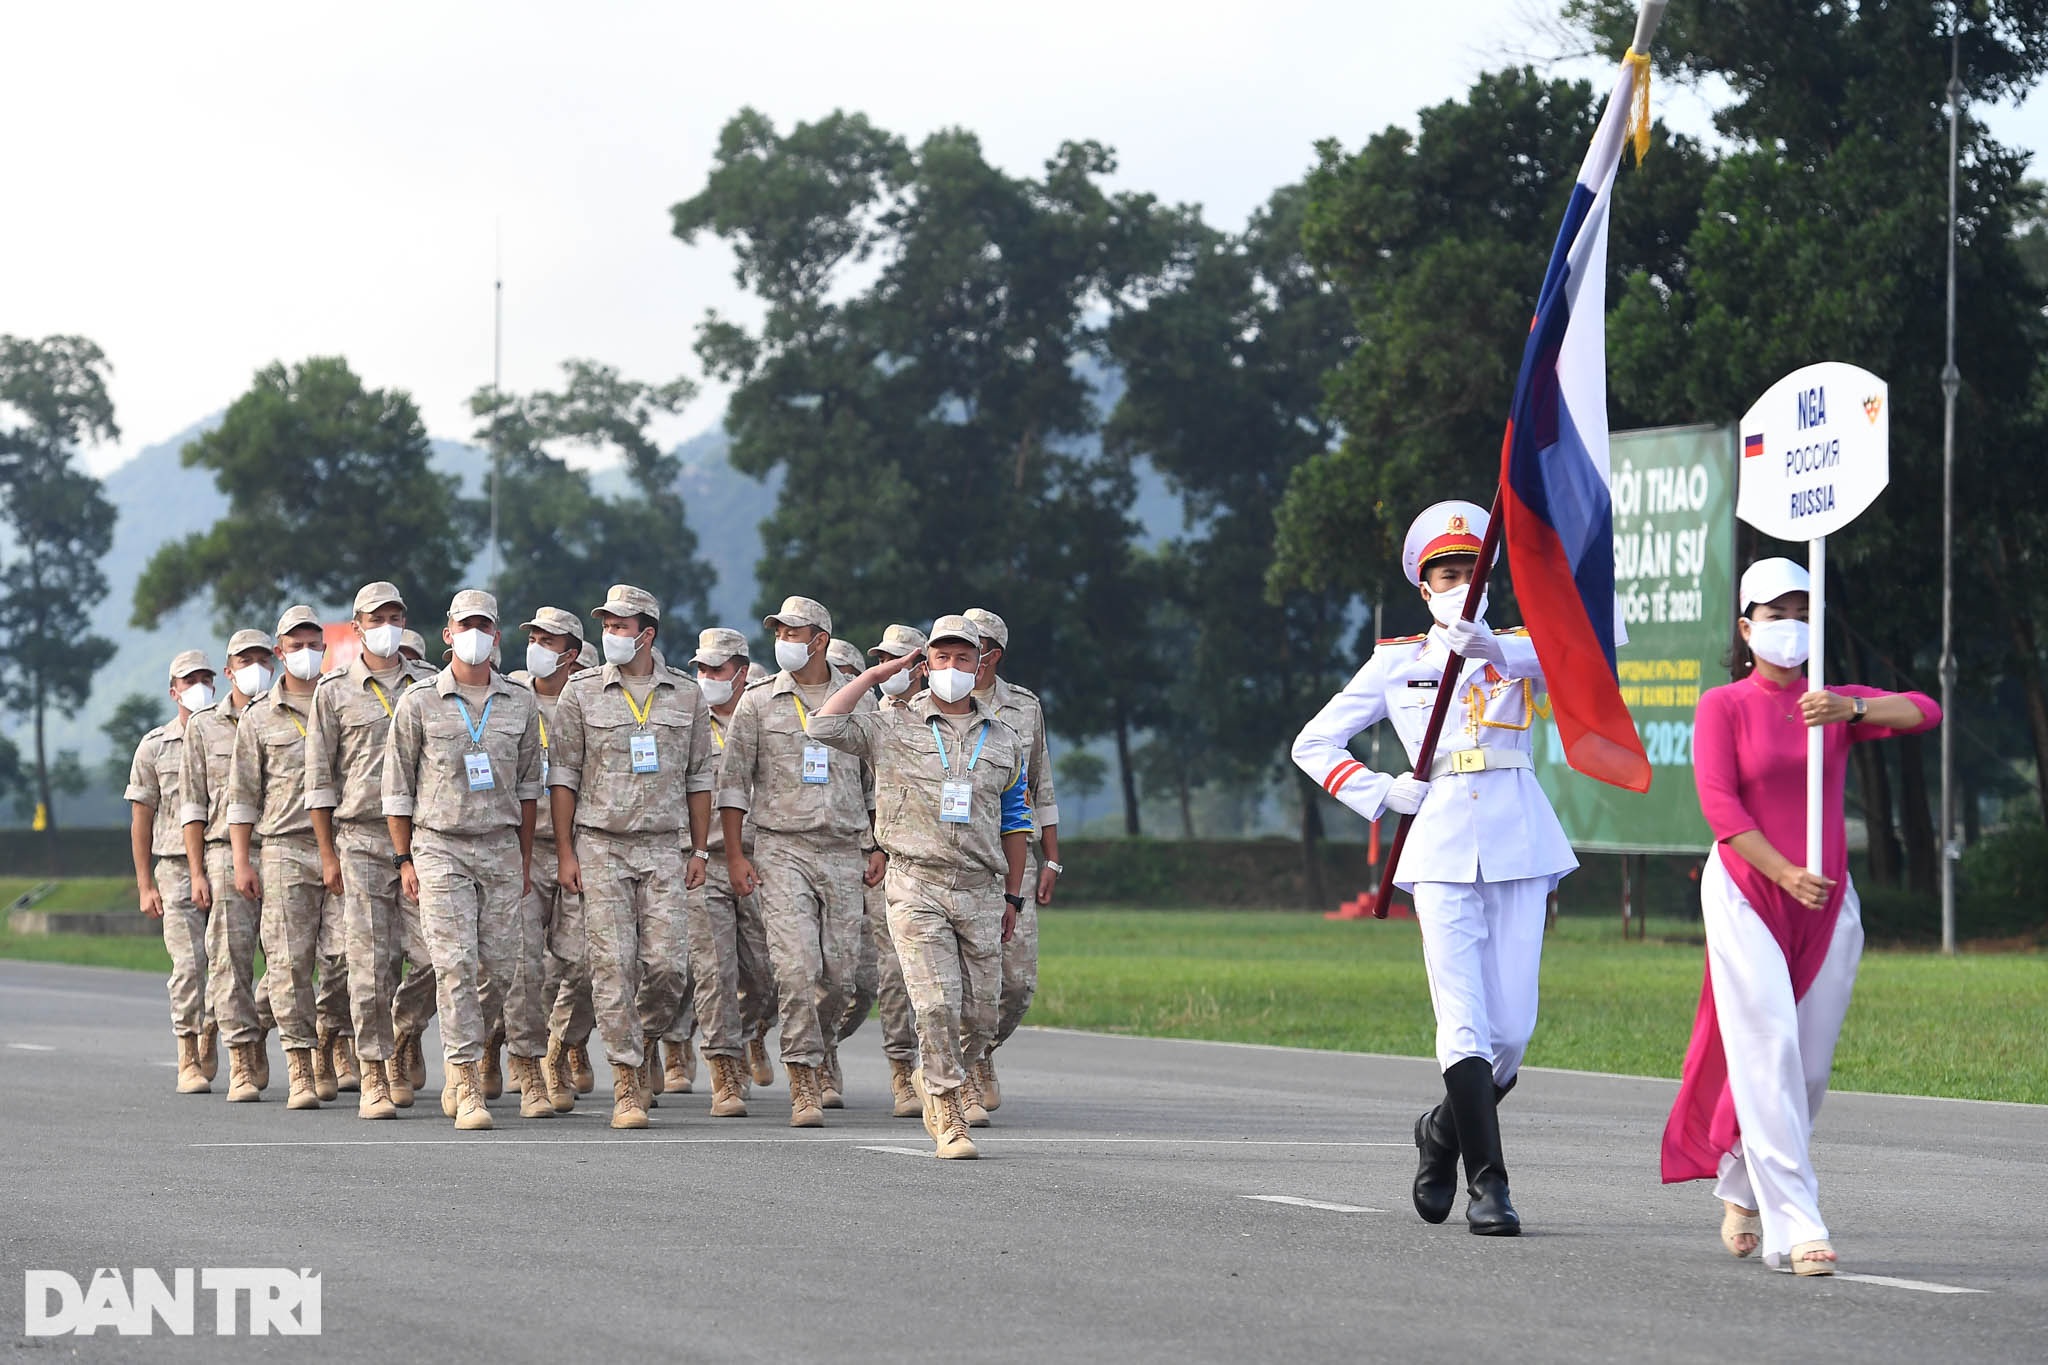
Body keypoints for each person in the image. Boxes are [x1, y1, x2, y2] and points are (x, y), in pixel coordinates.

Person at [1290, 500, 1576, 1236]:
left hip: (1518, 839)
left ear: (1489, 580)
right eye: (1445, 573)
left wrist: (1491, 649)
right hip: (1442, 839)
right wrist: (1382, 790)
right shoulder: (1397, 661)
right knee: (1465, 1021)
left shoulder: (1519, 644)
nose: (1458, 583)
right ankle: (1491, 1184)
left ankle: (1442, 1131)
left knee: (1512, 1033)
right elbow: (1313, 742)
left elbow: (1581, 654)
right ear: (1424, 586)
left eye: (1469, 571)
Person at [1661, 558, 1941, 1275]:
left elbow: (1924, 709)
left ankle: (1741, 1183)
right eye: (1775, 614)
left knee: (1809, 1065)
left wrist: (1848, 710)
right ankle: (1799, 1224)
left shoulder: (1833, 702)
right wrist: (1782, 870)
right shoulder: (1723, 703)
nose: (1789, 627)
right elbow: (1721, 807)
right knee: (1770, 1046)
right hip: (1749, 890)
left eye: (1801, 612)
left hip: (1826, 900)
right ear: (1747, 627)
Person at [810, 615, 1032, 1160]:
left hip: (981, 888)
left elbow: (1015, 819)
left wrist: (1013, 897)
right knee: (935, 1003)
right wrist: (880, 673)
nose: (952, 668)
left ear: (981, 663)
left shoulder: (1004, 739)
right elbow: (823, 726)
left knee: (982, 1013)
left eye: (963, 658)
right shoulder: (893, 725)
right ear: (925, 664)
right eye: (941, 658)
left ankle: (954, 1072)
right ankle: (947, 1107)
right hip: (915, 882)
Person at [547, 584, 715, 1129]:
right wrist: (566, 850)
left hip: (665, 846)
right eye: (607, 625)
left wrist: (698, 849)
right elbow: (564, 776)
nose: (612, 634)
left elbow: (698, 777)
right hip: (601, 844)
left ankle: (638, 1039)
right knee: (611, 966)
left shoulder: (686, 696)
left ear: (647, 633)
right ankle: (626, 1079)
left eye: (621, 626)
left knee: (670, 967)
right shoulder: (582, 692)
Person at [383, 590, 547, 1129]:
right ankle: (466, 1077)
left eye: (485, 626)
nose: (475, 634)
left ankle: (470, 1052)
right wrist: (405, 858)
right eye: (464, 625)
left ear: (496, 636)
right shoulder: (420, 701)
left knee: (500, 969)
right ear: (448, 633)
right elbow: (397, 788)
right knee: (453, 963)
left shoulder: (518, 702)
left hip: (500, 846)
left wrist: (524, 860)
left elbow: (529, 789)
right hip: (439, 845)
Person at [717, 596, 880, 1126]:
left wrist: (877, 843)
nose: (784, 640)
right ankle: (804, 1077)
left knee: (839, 977)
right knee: (795, 967)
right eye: (779, 631)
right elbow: (734, 782)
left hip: (842, 850)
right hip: (781, 848)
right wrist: (737, 854)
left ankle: (821, 1044)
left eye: (794, 632)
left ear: (820, 640)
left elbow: (877, 779)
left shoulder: (858, 698)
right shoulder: (759, 701)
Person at [307, 581, 441, 1119]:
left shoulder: (430, 685)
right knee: (369, 965)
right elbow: (319, 782)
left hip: (425, 839)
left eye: (395, 615)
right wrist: (327, 855)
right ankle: (374, 1071)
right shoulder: (333, 691)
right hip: (361, 839)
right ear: (357, 625)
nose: (386, 625)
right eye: (375, 617)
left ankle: (405, 1033)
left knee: (437, 956)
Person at [229, 607, 349, 1107]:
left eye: (313, 644)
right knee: (289, 962)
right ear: (281, 652)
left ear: (325, 648)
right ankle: (298, 1063)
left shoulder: (342, 700)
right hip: (283, 847)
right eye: (294, 645)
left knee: (348, 958)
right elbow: (242, 796)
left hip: (344, 845)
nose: (305, 653)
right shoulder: (259, 717)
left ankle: (328, 1041)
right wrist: (241, 860)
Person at [964, 607, 1062, 1113]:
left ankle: (979, 1049)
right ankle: (963, 1068)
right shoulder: (922, 704)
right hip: (957, 857)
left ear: (992, 654)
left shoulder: (1023, 708)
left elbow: (1039, 782)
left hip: (1013, 857)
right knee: (963, 977)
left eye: (972, 644)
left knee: (1017, 983)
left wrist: (1053, 858)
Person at [672, 626, 770, 1118]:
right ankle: (724, 1069)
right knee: (714, 971)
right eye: (702, 669)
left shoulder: (765, 714)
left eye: (717, 670)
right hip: (704, 860)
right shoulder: (685, 715)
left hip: (764, 861)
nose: (707, 678)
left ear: (742, 672)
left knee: (772, 974)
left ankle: (752, 1034)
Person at [181, 628, 280, 1104]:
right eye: (245, 660)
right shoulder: (203, 727)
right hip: (224, 851)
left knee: (291, 964)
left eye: (263, 657)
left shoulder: (286, 716)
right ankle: (240, 1056)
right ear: (229, 670)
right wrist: (197, 871)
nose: (255, 666)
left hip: (281, 845)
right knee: (230, 962)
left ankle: (253, 1024)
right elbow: (193, 808)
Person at [836, 623, 928, 1118]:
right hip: (846, 851)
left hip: (899, 860)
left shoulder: (940, 719)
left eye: (898, 660)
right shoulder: (868, 718)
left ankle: (904, 1070)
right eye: (881, 660)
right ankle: (820, 1052)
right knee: (839, 973)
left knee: (892, 974)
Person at [511, 606, 592, 1114]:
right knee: (521, 968)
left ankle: (561, 1046)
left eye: (550, 639)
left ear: (572, 653)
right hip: (518, 849)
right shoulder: (509, 699)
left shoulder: (592, 702)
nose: (538, 645)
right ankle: (526, 1065)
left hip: (583, 849)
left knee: (588, 963)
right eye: (534, 636)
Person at [127, 649, 217, 1094]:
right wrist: (145, 885)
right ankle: (188, 1052)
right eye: (189, 680)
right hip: (175, 866)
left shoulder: (228, 734)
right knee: (189, 962)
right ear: (173, 690)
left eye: (205, 677)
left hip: (221, 859)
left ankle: (214, 1028)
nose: (199, 685)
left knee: (227, 962)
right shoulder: (154, 747)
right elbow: (141, 819)